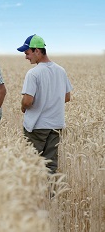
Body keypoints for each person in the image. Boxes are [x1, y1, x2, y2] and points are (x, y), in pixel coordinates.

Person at [17, 34, 72, 173]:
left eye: (27, 53)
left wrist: (23, 106)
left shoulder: (33, 73)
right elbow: (67, 97)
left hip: (37, 127)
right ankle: (50, 194)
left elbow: (28, 101)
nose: (26, 57)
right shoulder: (61, 70)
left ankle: (34, 193)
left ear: (37, 50)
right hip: (56, 125)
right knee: (50, 166)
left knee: (32, 165)